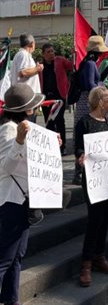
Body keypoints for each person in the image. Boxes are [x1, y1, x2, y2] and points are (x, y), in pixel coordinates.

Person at [0, 83, 46, 305]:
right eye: (34, 107)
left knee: (16, 256)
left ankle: (11, 300)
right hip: (11, 200)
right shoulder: (9, 129)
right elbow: (6, 167)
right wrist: (19, 141)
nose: (37, 110)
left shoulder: (21, 127)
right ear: (26, 110)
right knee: (5, 258)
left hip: (22, 199)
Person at [74, 86, 108, 287]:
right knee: (94, 220)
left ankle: (99, 257)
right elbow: (79, 148)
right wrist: (80, 157)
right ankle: (86, 265)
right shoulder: (84, 122)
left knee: (106, 218)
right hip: (93, 180)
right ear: (100, 101)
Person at [73, 36, 108, 185]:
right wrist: (101, 90)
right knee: (85, 135)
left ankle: (80, 171)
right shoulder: (90, 64)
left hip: (86, 99)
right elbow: (91, 84)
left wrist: (107, 70)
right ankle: (79, 171)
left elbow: (95, 80)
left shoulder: (88, 63)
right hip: (87, 100)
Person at [39, 42, 73, 154]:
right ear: (43, 54)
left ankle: (62, 147)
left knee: (59, 121)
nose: (51, 53)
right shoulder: (39, 66)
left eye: (52, 51)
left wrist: (74, 55)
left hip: (59, 96)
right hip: (45, 98)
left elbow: (71, 66)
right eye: (48, 52)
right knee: (48, 122)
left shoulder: (60, 60)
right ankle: (51, 146)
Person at [10, 34, 43, 122]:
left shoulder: (22, 55)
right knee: (28, 126)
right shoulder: (23, 55)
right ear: (32, 44)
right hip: (26, 100)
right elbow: (23, 72)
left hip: (26, 99)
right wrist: (38, 69)